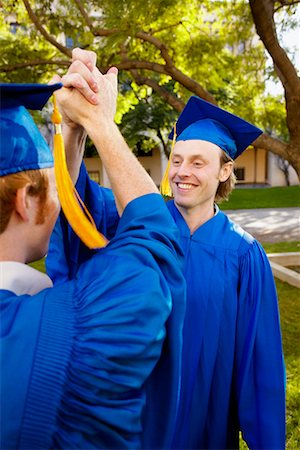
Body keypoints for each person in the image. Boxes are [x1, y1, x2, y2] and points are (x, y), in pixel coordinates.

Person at [51, 49, 285, 450]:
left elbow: (259, 368)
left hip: (205, 428)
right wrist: (75, 128)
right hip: (134, 422)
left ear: (225, 171)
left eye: (198, 163)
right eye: (177, 160)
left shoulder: (245, 256)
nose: (181, 172)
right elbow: (76, 209)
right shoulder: (135, 224)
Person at [0, 78, 185, 449]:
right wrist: (99, 120)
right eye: (53, 187)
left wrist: (72, 133)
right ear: (24, 201)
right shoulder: (54, 339)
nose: (60, 198)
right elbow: (150, 248)